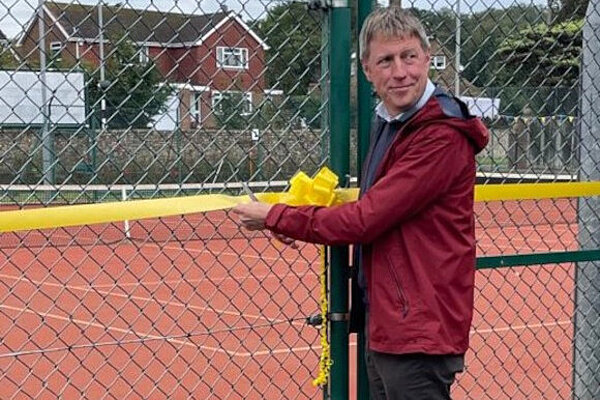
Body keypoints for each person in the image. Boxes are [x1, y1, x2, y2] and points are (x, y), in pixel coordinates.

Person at [233, 6, 489, 400]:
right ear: (367, 70)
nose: (400, 71)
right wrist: (285, 217)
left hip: (419, 327)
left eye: (409, 56)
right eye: (386, 61)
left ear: (425, 57)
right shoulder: (390, 122)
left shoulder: (440, 136)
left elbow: (365, 219)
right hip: (389, 318)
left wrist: (275, 216)